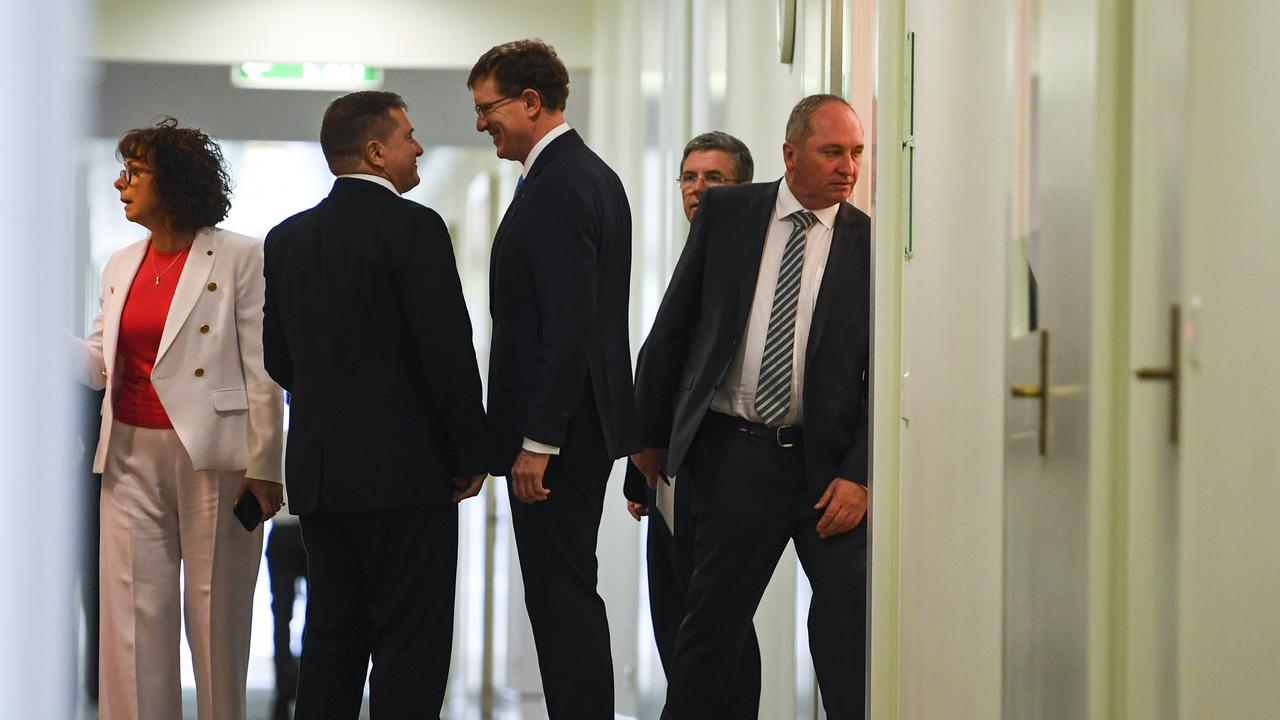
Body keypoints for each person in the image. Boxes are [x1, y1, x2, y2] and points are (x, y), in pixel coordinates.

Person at [631, 95, 871, 719]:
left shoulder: (868, 244)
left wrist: (861, 472)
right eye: (832, 152)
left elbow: (885, 374)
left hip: (828, 471)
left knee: (850, 621)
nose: (848, 167)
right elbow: (674, 328)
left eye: (856, 153)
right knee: (710, 629)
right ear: (791, 153)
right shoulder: (732, 214)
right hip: (736, 454)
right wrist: (649, 447)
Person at [262, 90, 489, 719]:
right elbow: (446, 353)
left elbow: (279, 360)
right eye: (409, 135)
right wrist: (470, 453)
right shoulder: (415, 228)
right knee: (410, 650)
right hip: (409, 480)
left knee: (332, 640)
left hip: (325, 480)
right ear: (376, 151)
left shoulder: (286, 240)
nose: (418, 147)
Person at [72, 118, 285, 720]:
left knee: (217, 627)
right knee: (133, 630)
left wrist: (267, 466)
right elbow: (98, 363)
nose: (120, 183)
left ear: (173, 181)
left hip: (214, 459)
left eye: (134, 171)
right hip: (128, 457)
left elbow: (262, 368)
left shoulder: (240, 254)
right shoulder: (120, 264)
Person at [468, 39, 641, 718]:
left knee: (561, 596)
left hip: (561, 434)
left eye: (490, 109)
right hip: (571, 427)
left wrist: (540, 440)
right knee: (563, 593)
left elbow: (569, 324)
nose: (482, 124)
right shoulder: (581, 175)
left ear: (532, 102)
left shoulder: (562, 183)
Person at [622, 131, 762, 716]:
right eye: (689, 177)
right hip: (671, 473)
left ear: (745, 190)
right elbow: (663, 363)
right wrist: (642, 474)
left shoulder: (749, 261)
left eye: (715, 178)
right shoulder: (692, 252)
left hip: (719, 468)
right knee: (676, 616)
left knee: (715, 622)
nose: (699, 189)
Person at [265, 510, 306, 720]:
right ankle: (308, 679)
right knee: (317, 612)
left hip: (280, 532)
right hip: (309, 529)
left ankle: (283, 685)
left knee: (281, 617)